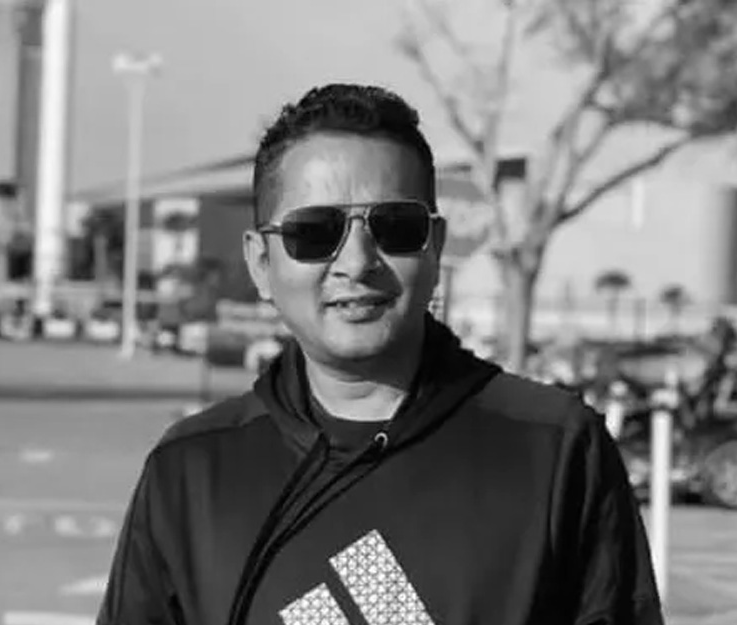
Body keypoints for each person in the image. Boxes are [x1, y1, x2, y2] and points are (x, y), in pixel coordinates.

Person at [96, 84, 663, 625]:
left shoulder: (556, 450)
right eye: (314, 232)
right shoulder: (191, 471)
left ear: (435, 247)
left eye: (395, 227)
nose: (356, 262)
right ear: (261, 263)